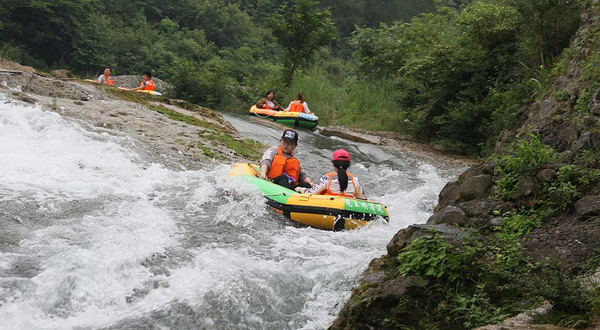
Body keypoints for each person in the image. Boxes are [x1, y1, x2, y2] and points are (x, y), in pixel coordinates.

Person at [295, 149, 365, 198]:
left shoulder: (328, 177)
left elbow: (311, 192)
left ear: (333, 164)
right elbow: (362, 198)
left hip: (328, 206)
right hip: (348, 209)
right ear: (348, 165)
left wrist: (301, 189)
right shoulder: (355, 180)